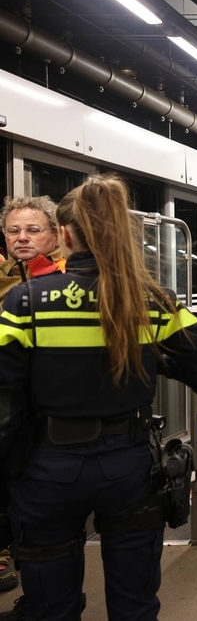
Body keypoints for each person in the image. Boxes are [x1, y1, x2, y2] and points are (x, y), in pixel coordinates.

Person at [0, 174, 197, 620]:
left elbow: (4, 403)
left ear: (64, 235)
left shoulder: (25, 301)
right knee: (134, 604)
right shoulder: (153, 301)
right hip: (130, 468)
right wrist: (158, 358)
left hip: (46, 470)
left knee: (50, 606)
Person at [0, 196, 65, 600]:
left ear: (55, 236)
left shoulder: (67, 280)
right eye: (13, 231)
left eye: (33, 230)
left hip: (47, 415)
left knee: (43, 517)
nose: (22, 238)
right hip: (4, 408)